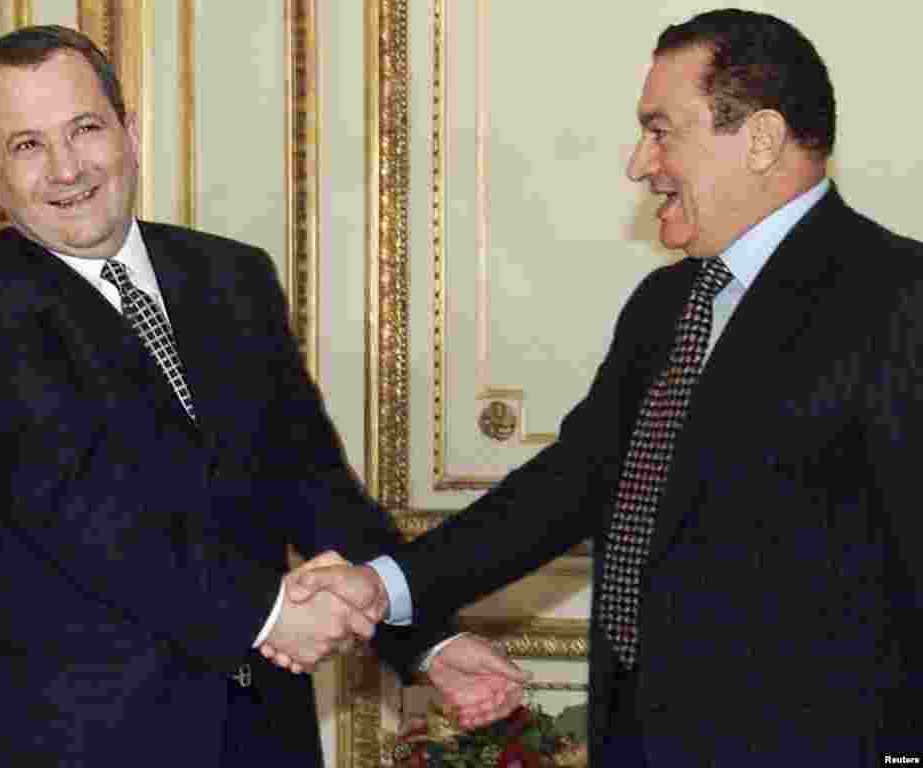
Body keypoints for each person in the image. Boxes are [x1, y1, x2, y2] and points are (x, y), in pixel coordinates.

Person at [282, 9, 923, 766]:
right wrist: (385, 587)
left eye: (661, 130)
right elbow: (564, 488)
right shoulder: (666, 306)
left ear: (759, 138)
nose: (638, 162)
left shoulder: (897, 299)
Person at [0, 25, 525, 768]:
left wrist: (425, 634)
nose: (66, 167)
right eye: (27, 145)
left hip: (258, 732)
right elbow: (89, 515)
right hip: (83, 743)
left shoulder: (231, 277)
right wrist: (273, 611)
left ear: (129, 132)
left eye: (85, 127)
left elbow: (312, 484)